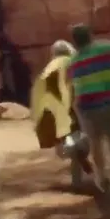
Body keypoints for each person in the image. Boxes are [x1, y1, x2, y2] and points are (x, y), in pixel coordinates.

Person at [66, 23, 110, 218]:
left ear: (74, 41)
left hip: (87, 108)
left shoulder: (72, 62)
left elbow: (72, 85)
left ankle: (101, 177)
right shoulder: (108, 47)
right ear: (91, 35)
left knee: (95, 142)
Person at [30, 40, 94, 188]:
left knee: (70, 142)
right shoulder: (71, 63)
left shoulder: (48, 69)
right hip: (63, 113)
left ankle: (77, 171)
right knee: (81, 142)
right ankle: (81, 170)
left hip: (45, 120)